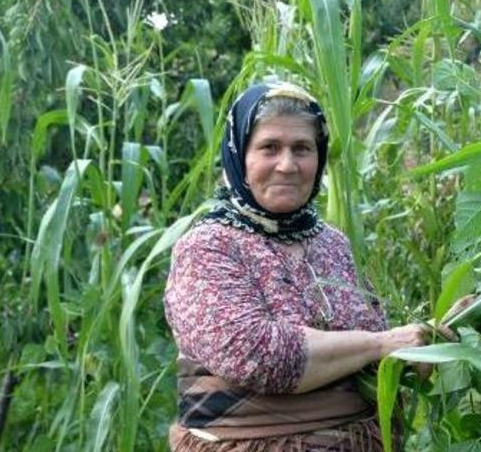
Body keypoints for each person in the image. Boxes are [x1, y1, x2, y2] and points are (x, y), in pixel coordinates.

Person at [163, 81, 432, 451]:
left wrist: (434, 336)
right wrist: (380, 344)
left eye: (302, 149)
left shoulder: (332, 244)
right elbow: (258, 355)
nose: (287, 165)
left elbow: (379, 341)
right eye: (269, 148)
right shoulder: (208, 246)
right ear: (239, 154)